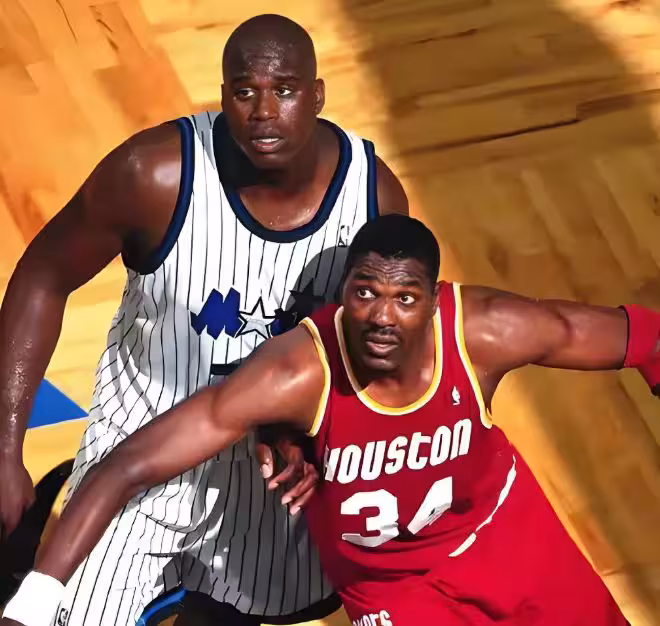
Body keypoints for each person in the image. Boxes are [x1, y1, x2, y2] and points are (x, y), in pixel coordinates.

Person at [5, 214, 650, 626]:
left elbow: (640, 338)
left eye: (405, 299)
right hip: (392, 587)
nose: (382, 317)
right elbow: (131, 463)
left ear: (434, 301)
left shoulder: (485, 332)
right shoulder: (297, 373)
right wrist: (33, 603)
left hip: (505, 538)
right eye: (365, 293)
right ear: (343, 293)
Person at [0, 13, 408, 626]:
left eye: (285, 90)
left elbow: (389, 354)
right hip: (136, 462)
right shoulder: (151, 174)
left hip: (274, 478)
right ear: (222, 96)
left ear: (318, 95)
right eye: (245, 92)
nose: (263, 112)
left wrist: (321, 440)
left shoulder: (374, 198)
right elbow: (42, 276)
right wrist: (5, 446)